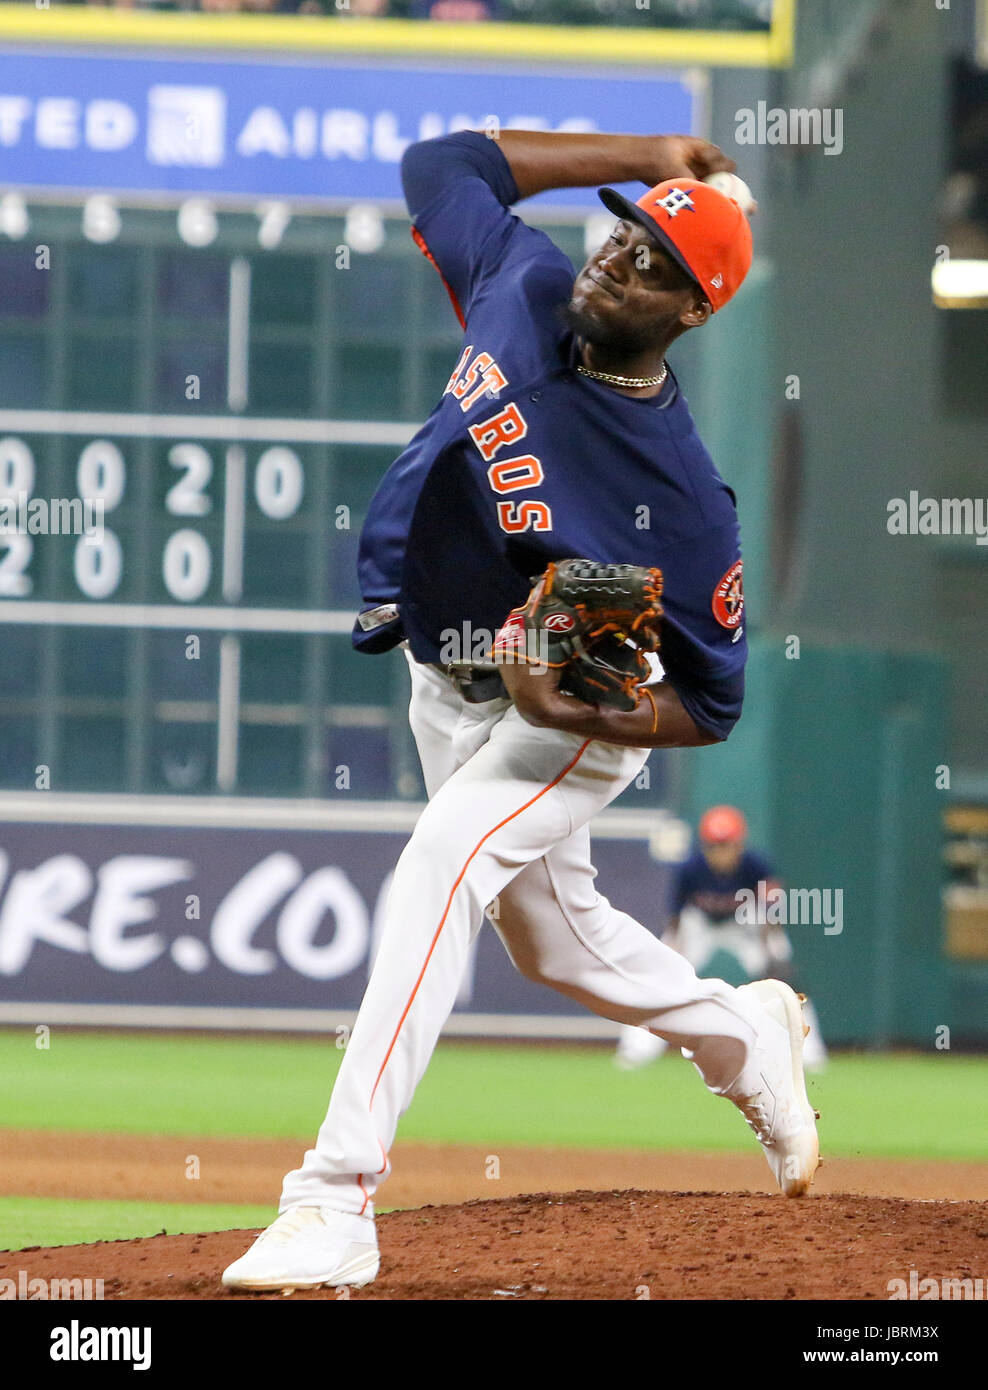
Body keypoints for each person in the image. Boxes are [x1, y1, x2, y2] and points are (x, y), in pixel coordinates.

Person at [222, 127, 820, 1292]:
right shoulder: (528, 278)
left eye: (654, 263)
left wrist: (591, 712)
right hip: (443, 670)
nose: (617, 261)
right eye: (624, 232)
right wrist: (650, 151)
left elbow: (711, 701)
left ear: (692, 313)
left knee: (441, 864)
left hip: (567, 707)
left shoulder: (682, 500)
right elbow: (443, 161)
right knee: (554, 941)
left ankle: (332, 1199)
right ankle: (743, 1035)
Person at [615, 805, 828, 1071]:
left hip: (744, 924)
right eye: (714, 845)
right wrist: (672, 953)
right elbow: (676, 917)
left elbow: (770, 914)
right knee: (659, 979)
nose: (721, 852)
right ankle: (636, 1049)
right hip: (699, 925)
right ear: (705, 846)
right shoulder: (691, 869)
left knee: (785, 982)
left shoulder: (756, 865)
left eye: (727, 844)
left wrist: (773, 954)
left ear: (740, 844)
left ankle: (810, 1052)